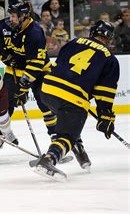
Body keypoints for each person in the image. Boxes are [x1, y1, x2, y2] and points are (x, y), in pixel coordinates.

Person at [32, 21, 120, 181]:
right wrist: (106, 116)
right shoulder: (110, 58)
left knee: (69, 121)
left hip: (47, 90)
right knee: (67, 135)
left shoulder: (74, 41)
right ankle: (49, 159)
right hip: (71, 99)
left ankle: (79, 149)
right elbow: (104, 93)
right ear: (110, 39)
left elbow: (60, 65)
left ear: (92, 32)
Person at [0, 0, 56, 152]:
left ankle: (56, 138)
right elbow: (1, 49)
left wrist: (22, 87)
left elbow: (36, 64)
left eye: (14, 16)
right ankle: (0, 137)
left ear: (24, 16)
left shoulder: (35, 32)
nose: (11, 19)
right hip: (14, 69)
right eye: (10, 15)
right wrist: (6, 58)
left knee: (46, 104)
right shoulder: (4, 26)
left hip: (39, 70)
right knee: (5, 104)